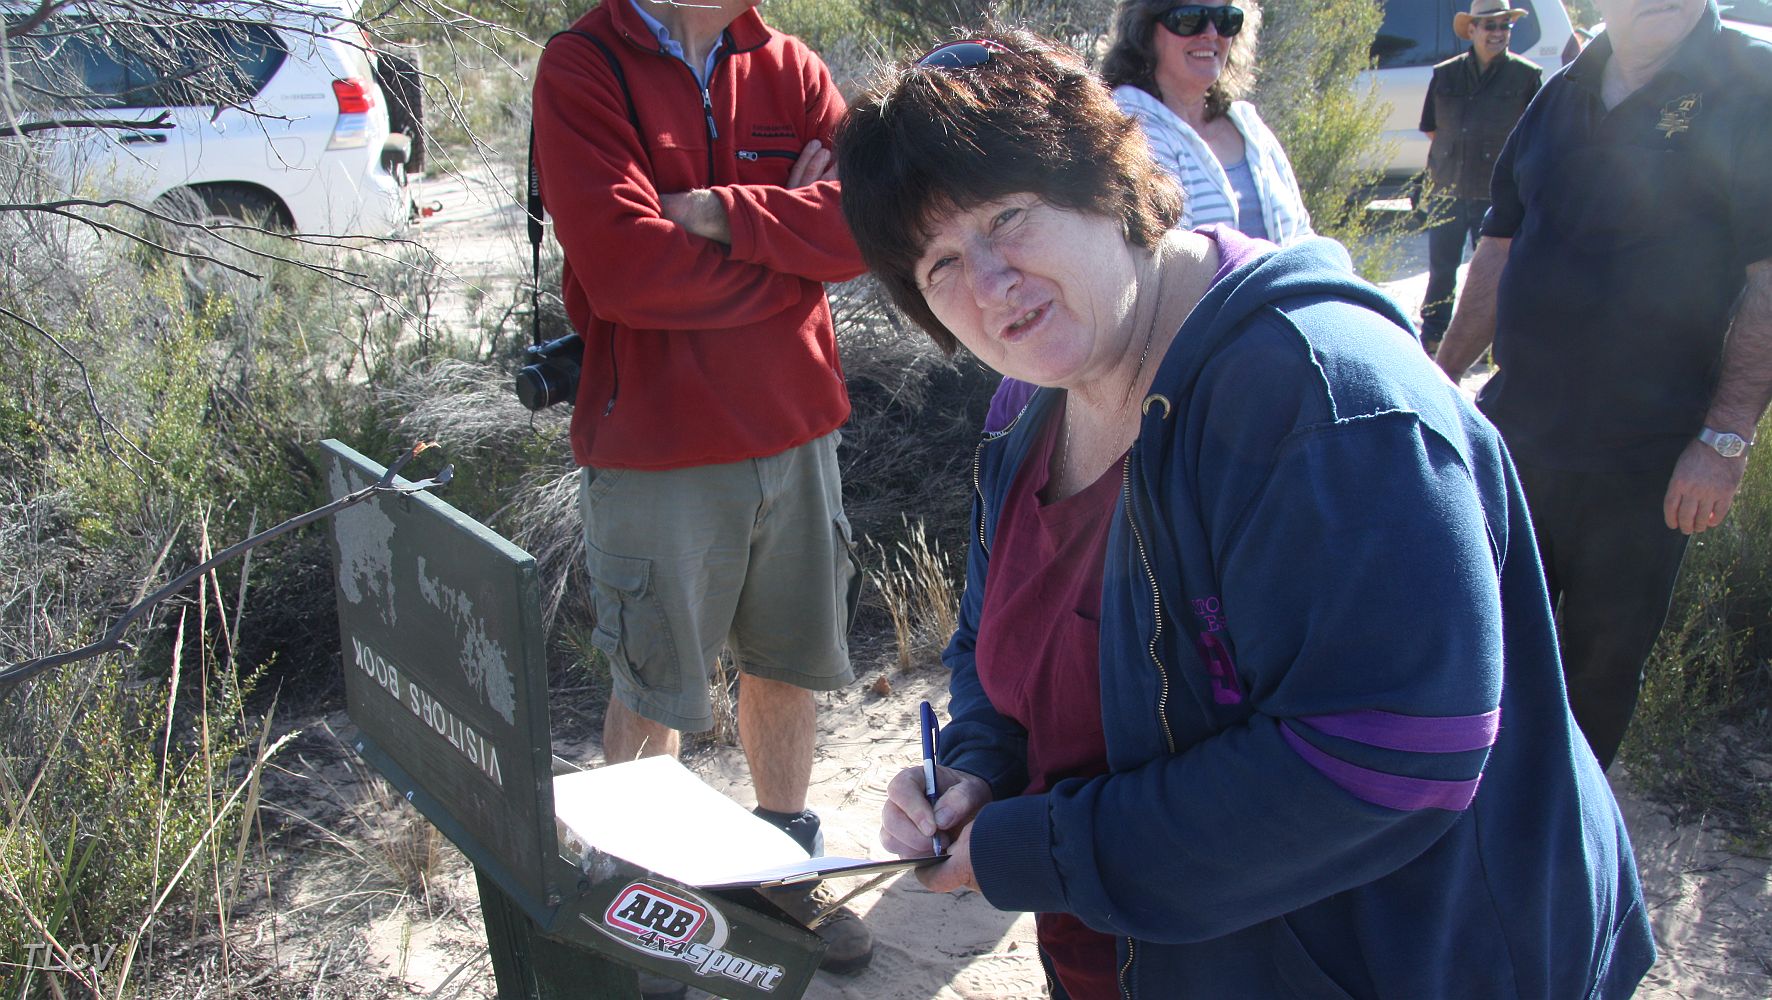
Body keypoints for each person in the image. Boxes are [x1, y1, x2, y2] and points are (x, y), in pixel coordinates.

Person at [838, 30, 1651, 999]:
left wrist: (1042, 847)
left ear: (1103, 178)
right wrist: (974, 768)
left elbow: (1390, 762)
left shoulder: (1318, 399)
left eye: (1007, 216)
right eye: (938, 265)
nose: (986, 284)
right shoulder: (1027, 408)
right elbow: (989, 647)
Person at [530, 0, 873, 978]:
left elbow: (871, 220)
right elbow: (628, 271)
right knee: (654, 689)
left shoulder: (790, 65)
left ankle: (781, 872)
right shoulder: (584, 67)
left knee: (786, 663)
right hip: (656, 445)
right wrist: (794, 261)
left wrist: (725, 214)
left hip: (795, 428)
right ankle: (639, 898)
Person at [1436, 0, 1772, 769]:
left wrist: (1724, 441)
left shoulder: (1751, 85)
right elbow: (1498, 249)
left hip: (1647, 464)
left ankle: (1565, 859)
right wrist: (1441, 375)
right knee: (1486, 655)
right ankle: (1477, 837)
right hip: (1517, 441)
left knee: (1596, 679)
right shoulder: (1562, 90)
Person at [1100, 0, 1312, 245]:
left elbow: (1302, 234)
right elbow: (1163, 256)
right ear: (1146, 31)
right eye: (1190, 19)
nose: (1211, 33)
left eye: (1225, 19)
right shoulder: (1132, 126)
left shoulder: (1250, 127)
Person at [1416, 0, 1541, 354]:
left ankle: (1498, 348)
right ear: (1472, 30)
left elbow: (1535, 136)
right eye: (1490, 26)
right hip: (1447, 188)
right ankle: (1432, 343)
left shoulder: (1527, 76)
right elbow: (1431, 129)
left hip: (1496, 194)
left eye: (1505, 26)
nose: (1498, 33)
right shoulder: (1444, 74)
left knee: (1498, 274)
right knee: (1442, 272)